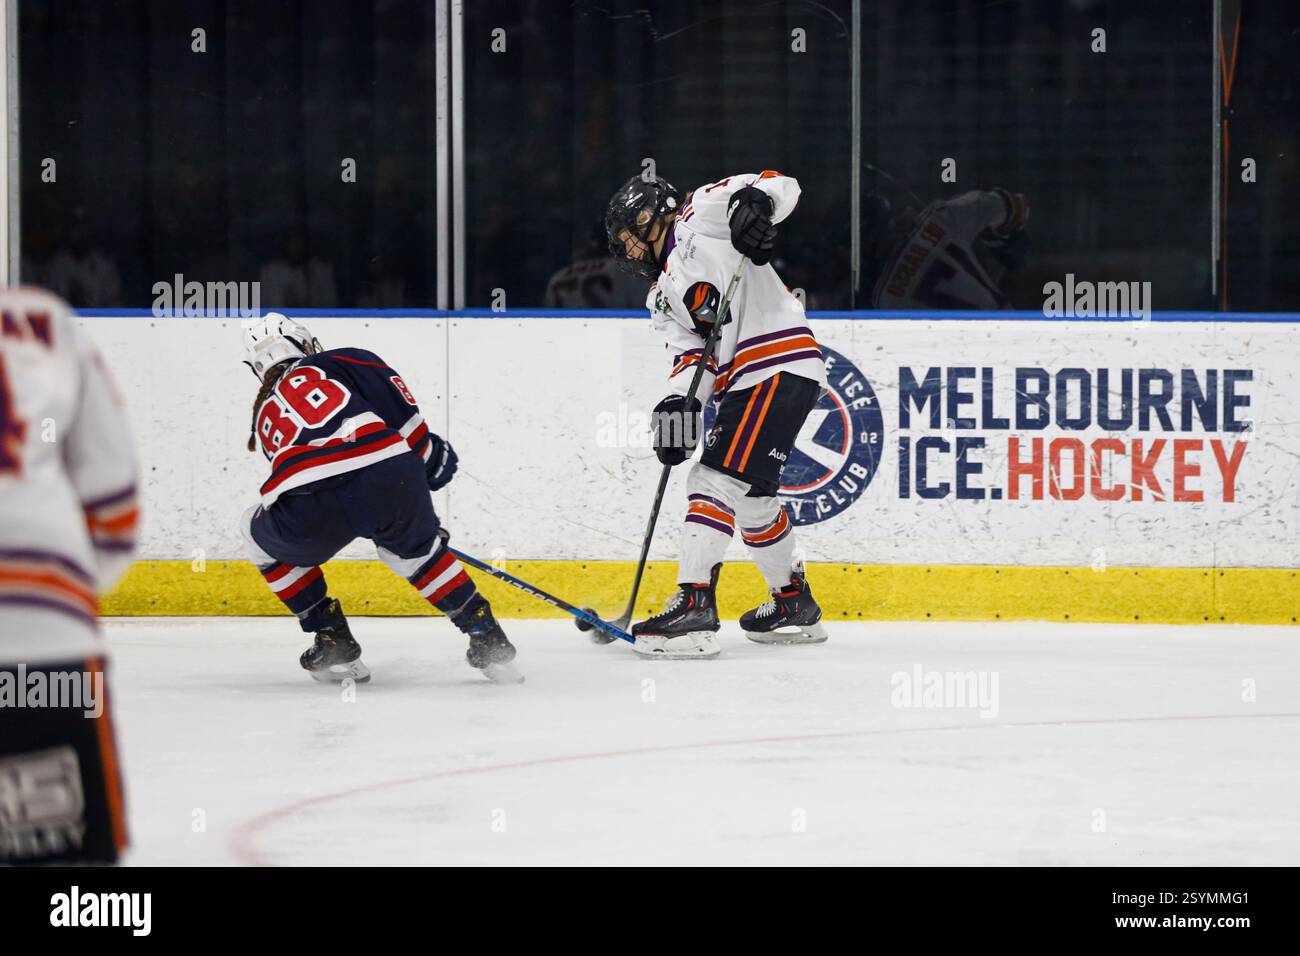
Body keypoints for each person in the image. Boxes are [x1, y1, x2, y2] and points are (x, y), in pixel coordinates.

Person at [604, 170, 830, 659]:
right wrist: (678, 403)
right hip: (754, 379)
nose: (628, 252)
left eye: (628, 238)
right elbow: (692, 359)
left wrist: (754, 204)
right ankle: (794, 603)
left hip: (775, 363)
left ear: (649, 219)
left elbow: (779, 183)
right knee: (752, 499)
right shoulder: (660, 298)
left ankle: (694, 603)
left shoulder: (697, 215)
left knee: (711, 481)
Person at [239, 313, 521, 683]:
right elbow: (399, 417)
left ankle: (332, 638)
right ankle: (488, 639)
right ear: (304, 343)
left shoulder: (265, 414)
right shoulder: (342, 359)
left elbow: (320, 475)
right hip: (387, 470)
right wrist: (429, 469)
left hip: (310, 498)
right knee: (417, 555)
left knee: (253, 531)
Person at [0, 284, 138, 863]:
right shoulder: (40, 320)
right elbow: (113, 497)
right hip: (43, 637)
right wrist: (66, 595)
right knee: (71, 882)